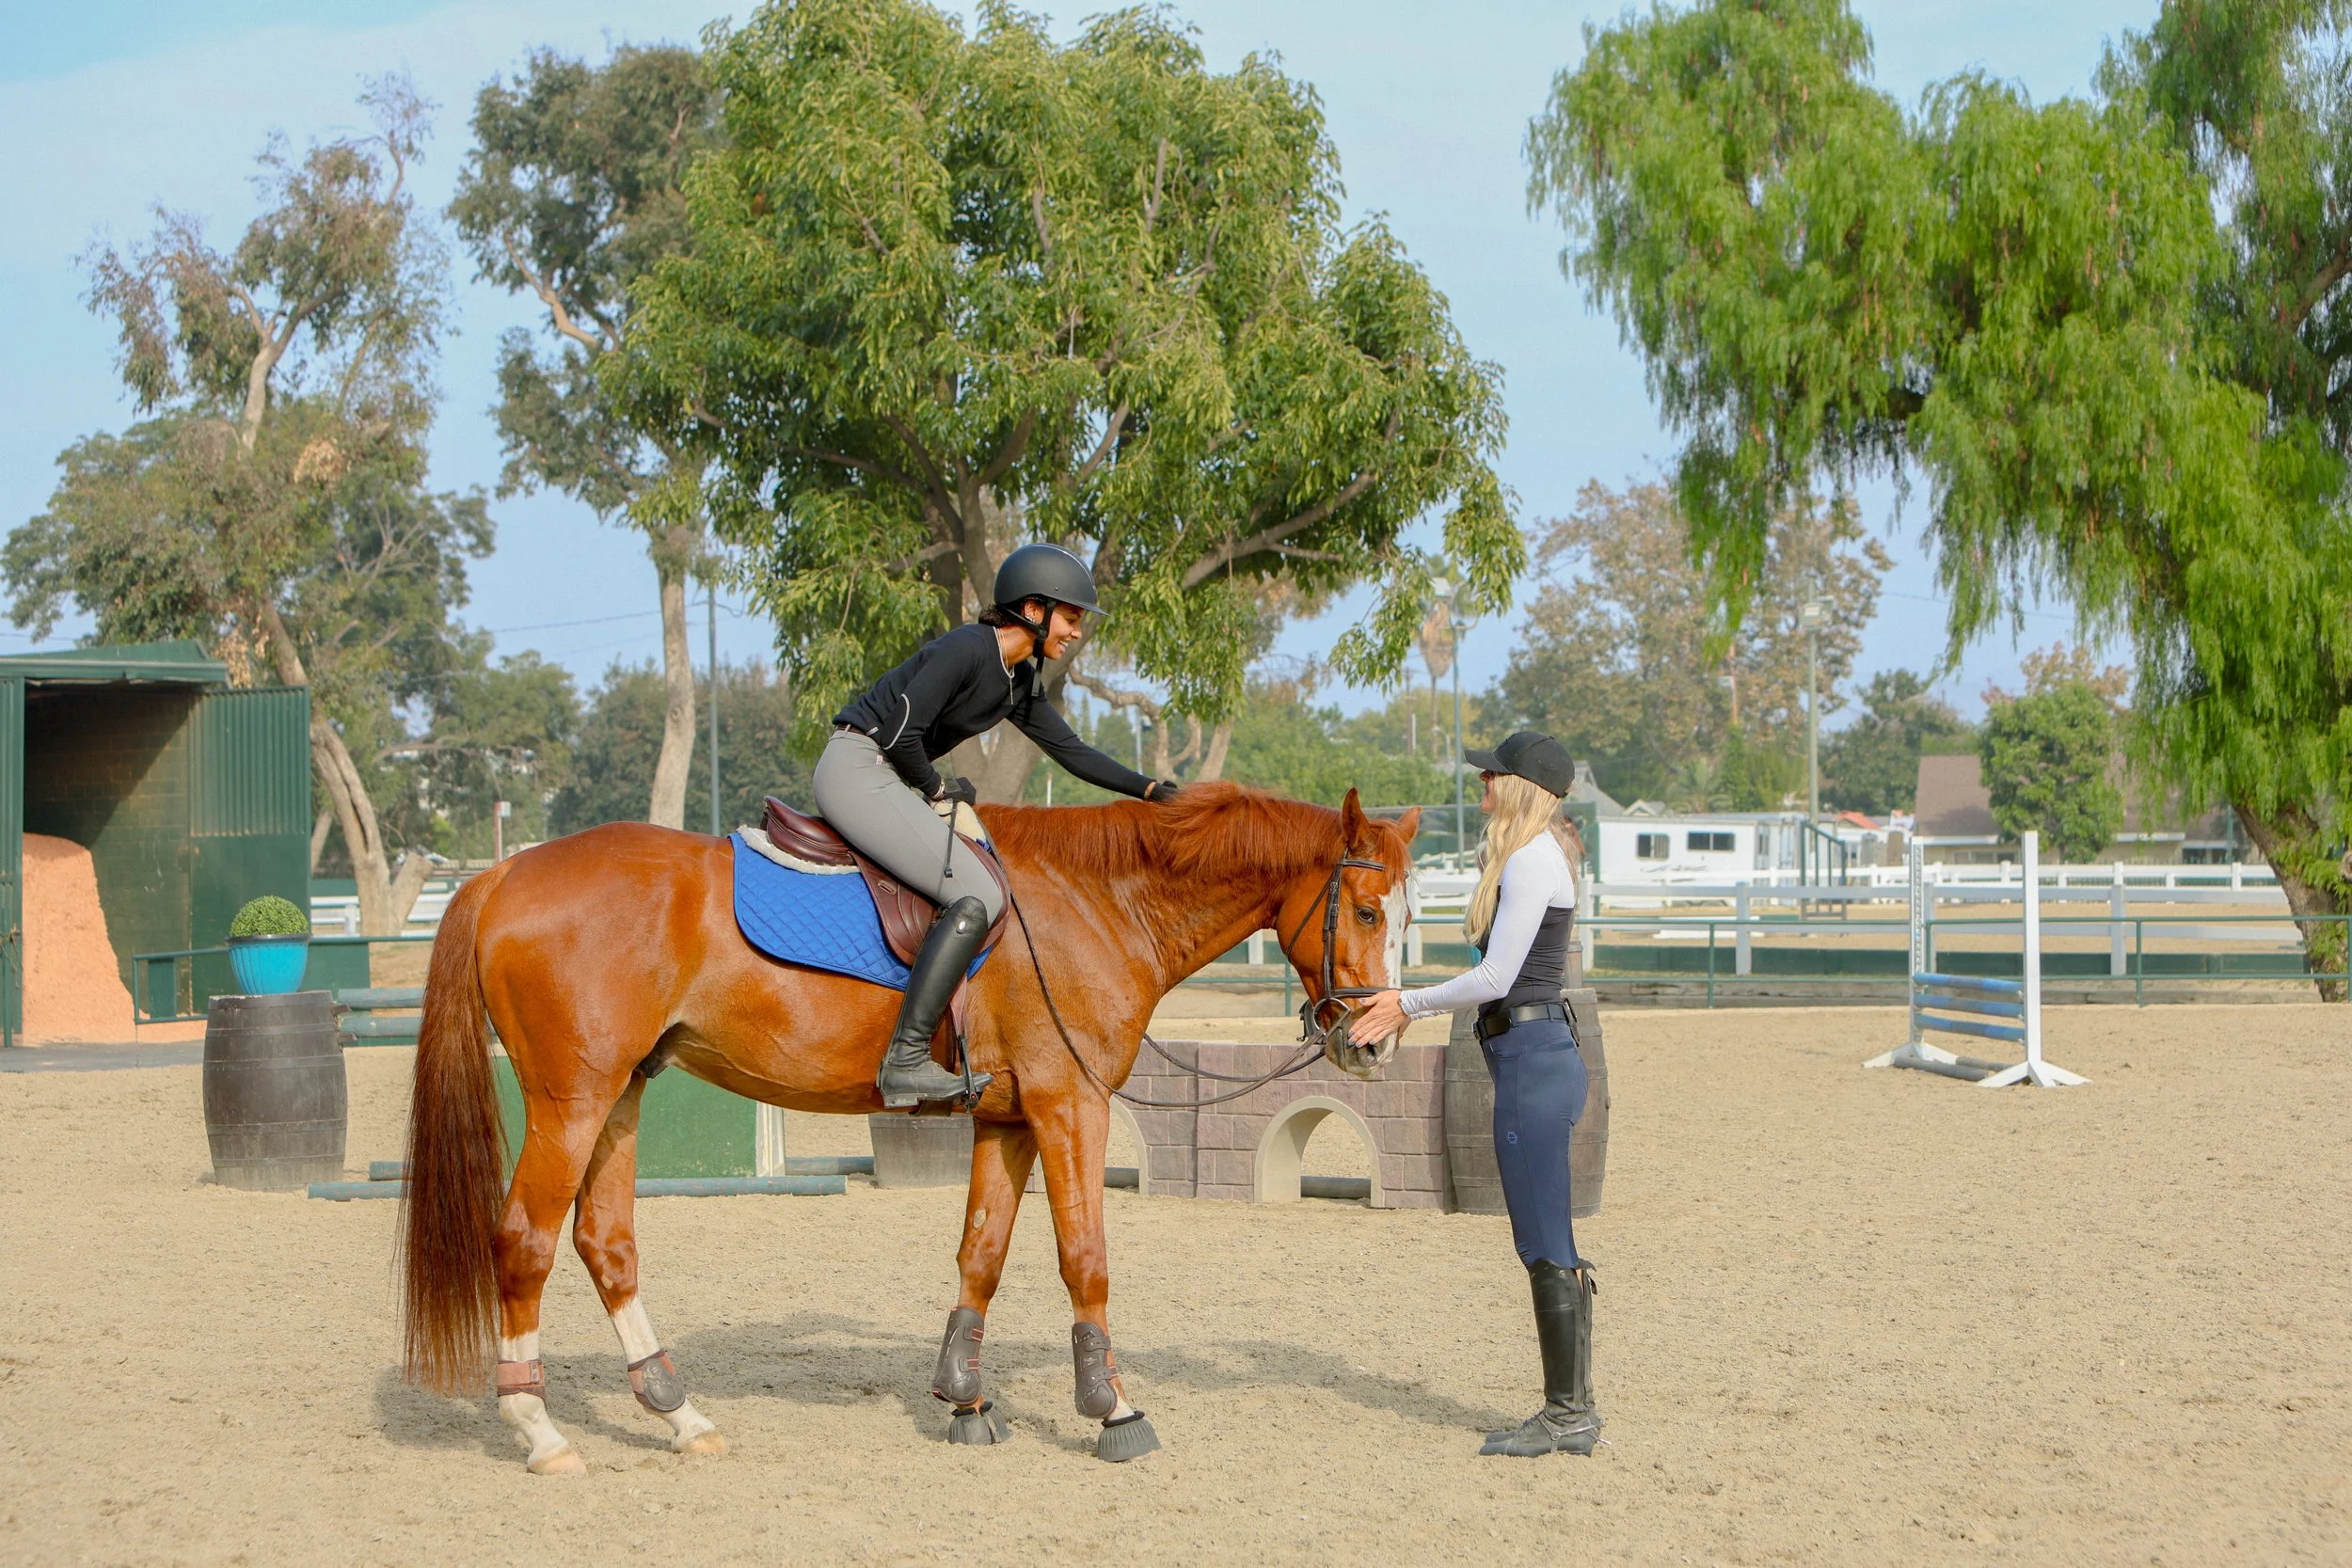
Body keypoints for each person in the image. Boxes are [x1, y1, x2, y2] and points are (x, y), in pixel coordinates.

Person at [820, 543, 1179, 1108]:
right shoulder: (967, 647)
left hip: (889, 776)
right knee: (979, 890)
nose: (1077, 633)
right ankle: (907, 1059)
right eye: (1071, 618)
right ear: (1033, 610)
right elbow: (898, 731)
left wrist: (1154, 791)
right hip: (857, 766)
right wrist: (938, 789)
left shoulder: (1017, 681)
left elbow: (1072, 751)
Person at [1346, 730, 1599, 1457]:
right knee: (1546, 1236)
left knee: (1544, 1239)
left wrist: (1406, 1003)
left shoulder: (1531, 858)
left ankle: (1566, 1413)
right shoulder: (1525, 856)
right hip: (1529, 1054)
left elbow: (1495, 980)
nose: (1481, 781)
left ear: (1518, 784)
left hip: (1532, 1060)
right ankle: (1573, 1407)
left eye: (1492, 773)